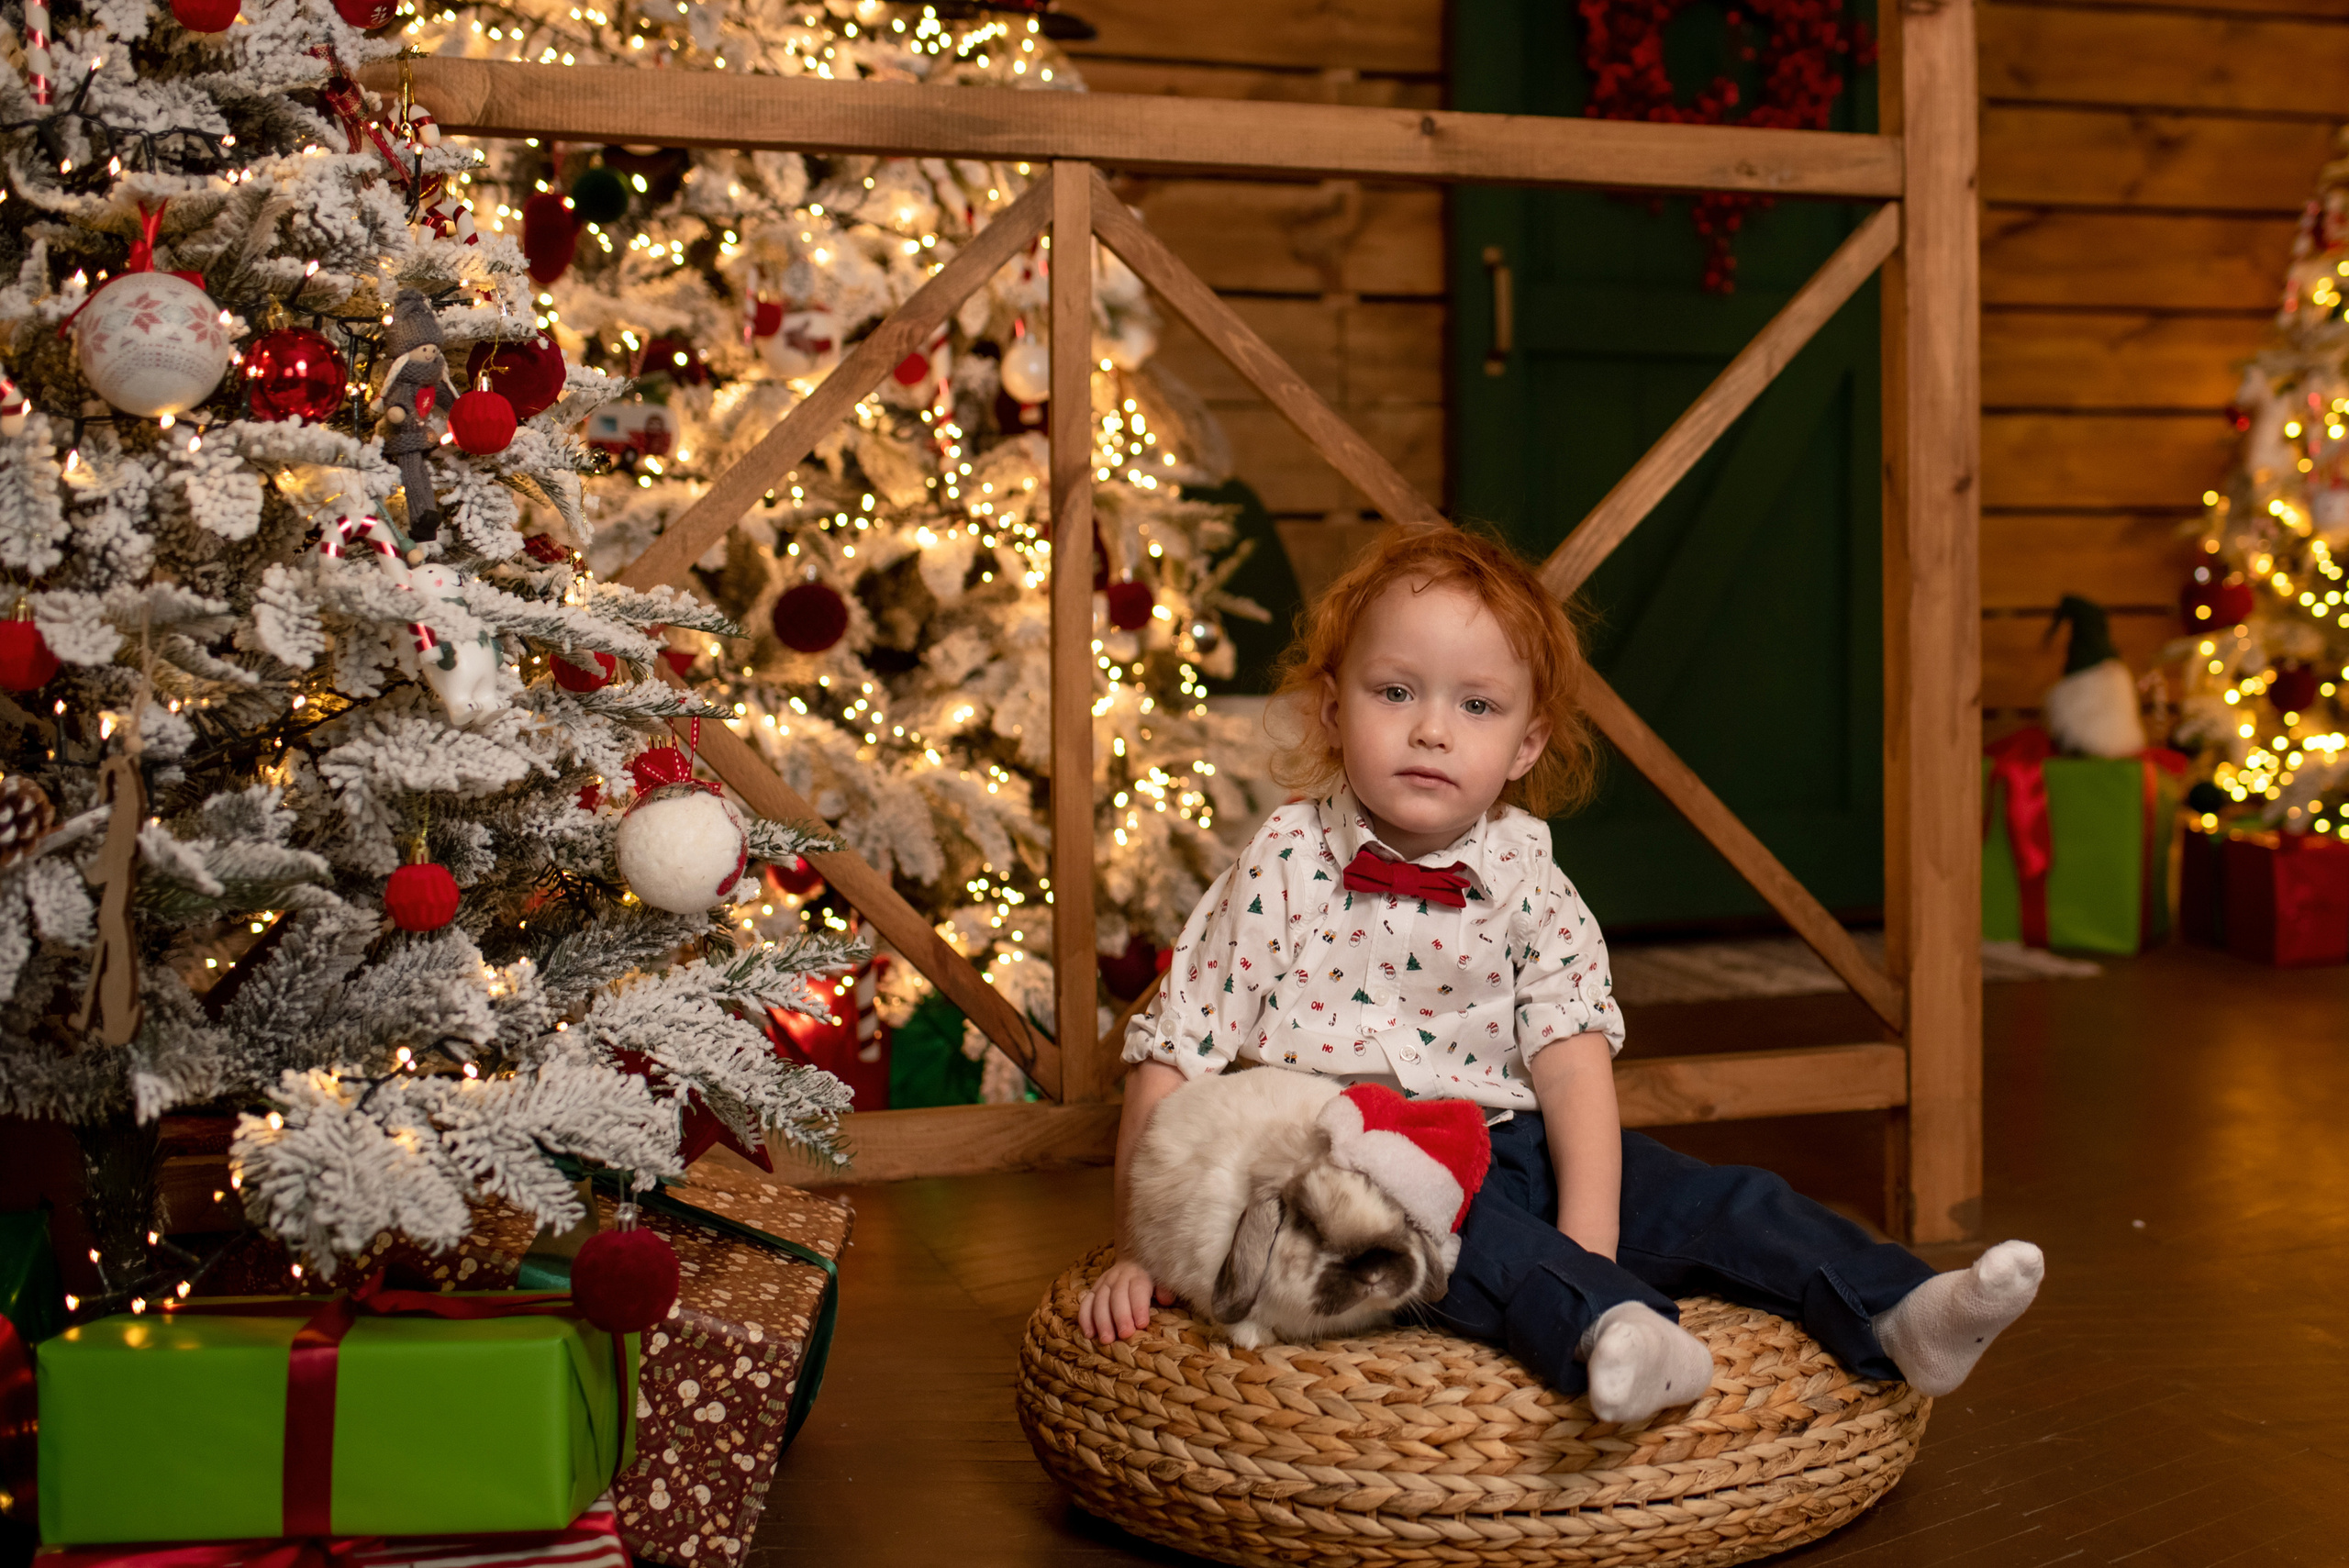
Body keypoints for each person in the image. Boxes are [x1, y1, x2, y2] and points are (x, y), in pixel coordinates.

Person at [1075, 525, 2043, 1425]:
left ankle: (1898, 1305)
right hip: (1354, 1174)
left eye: (1477, 705)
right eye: (1395, 691)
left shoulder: (1528, 876)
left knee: (1717, 1199)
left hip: (1508, 1138)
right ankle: (1609, 1331)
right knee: (1489, 1252)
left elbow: (1573, 1068)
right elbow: (1175, 1048)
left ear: (1525, 743)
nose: (1431, 730)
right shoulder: (1282, 862)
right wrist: (1142, 1244)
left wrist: (1593, 1226)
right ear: (1332, 709)